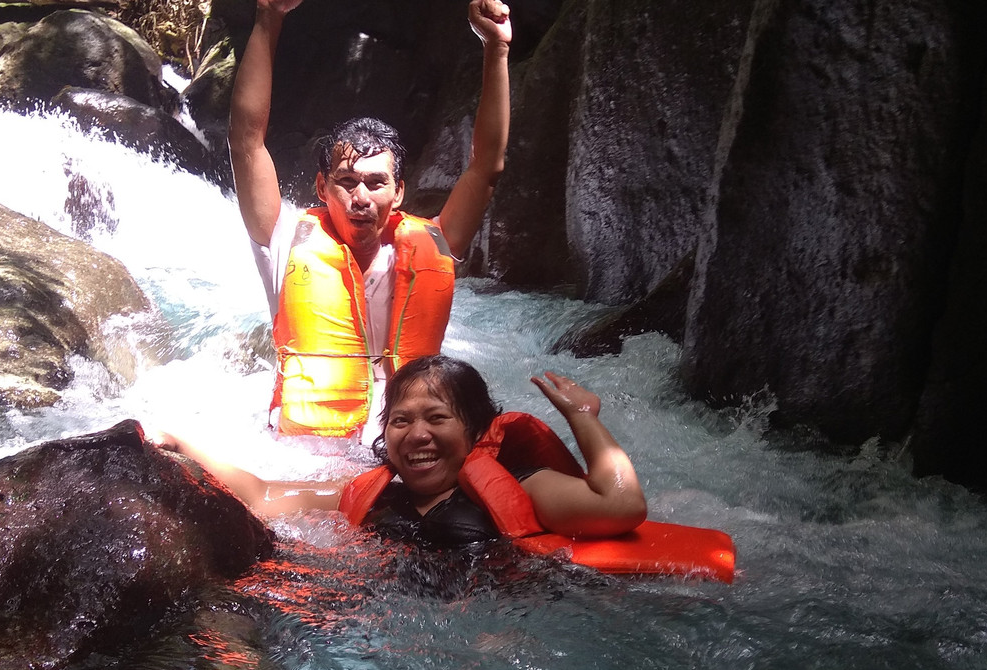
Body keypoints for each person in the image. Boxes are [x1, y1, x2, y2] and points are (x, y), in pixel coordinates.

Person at [228, 0, 512, 442]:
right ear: (322, 188)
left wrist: (497, 48)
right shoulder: (283, 238)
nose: (361, 197)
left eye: (377, 183)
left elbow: (486, 166)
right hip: (312, 454)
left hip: (411, 448)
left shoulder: (436, 240)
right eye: (347, 181)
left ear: (398, 193)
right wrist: (269, 15)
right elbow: (246, 140)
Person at [155, 356, 648, 549]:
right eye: (401, 420)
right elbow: (261, 495)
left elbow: (620, 505)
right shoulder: (378, 495)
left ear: (476, 429)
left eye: (437, 418)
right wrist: (180, 444)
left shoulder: (522, 485)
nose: (417, 435)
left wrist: (584, 416)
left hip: (490, 643)